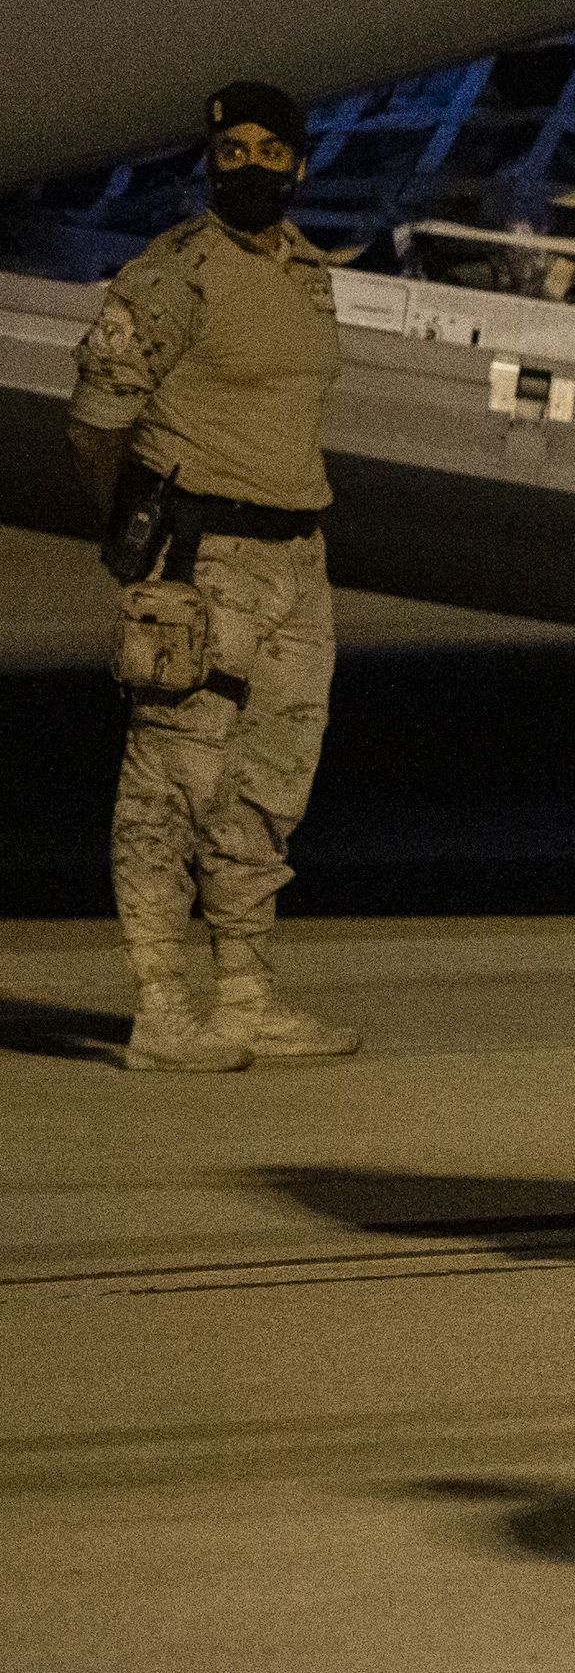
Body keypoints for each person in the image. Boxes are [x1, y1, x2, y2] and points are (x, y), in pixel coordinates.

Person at [66, 79, 358, 1071]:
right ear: (210, 162)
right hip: (203, 559)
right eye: (230, 151)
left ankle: (244, 1000)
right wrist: (135, 533)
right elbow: (95, 423)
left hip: (296, 562)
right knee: (172, 785)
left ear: (300, 165)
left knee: (269, 786)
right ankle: (161, 1007)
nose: (248, 168)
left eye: (269, 152)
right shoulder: (173, 275)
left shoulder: (309, 272)